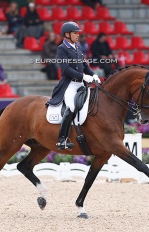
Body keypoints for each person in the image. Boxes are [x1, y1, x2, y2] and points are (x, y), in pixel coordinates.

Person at [46, 21, 101, 150]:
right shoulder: (61, 49)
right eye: (75, 33)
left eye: (77, 33)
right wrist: (83, 76)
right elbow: (65, 69)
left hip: (81, 84)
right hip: (69, 84)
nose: (77, 35)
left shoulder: (78, 47)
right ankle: (62, 139)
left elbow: (85, 65)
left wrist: (93, 75)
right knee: (71, 107)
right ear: (67, 34)